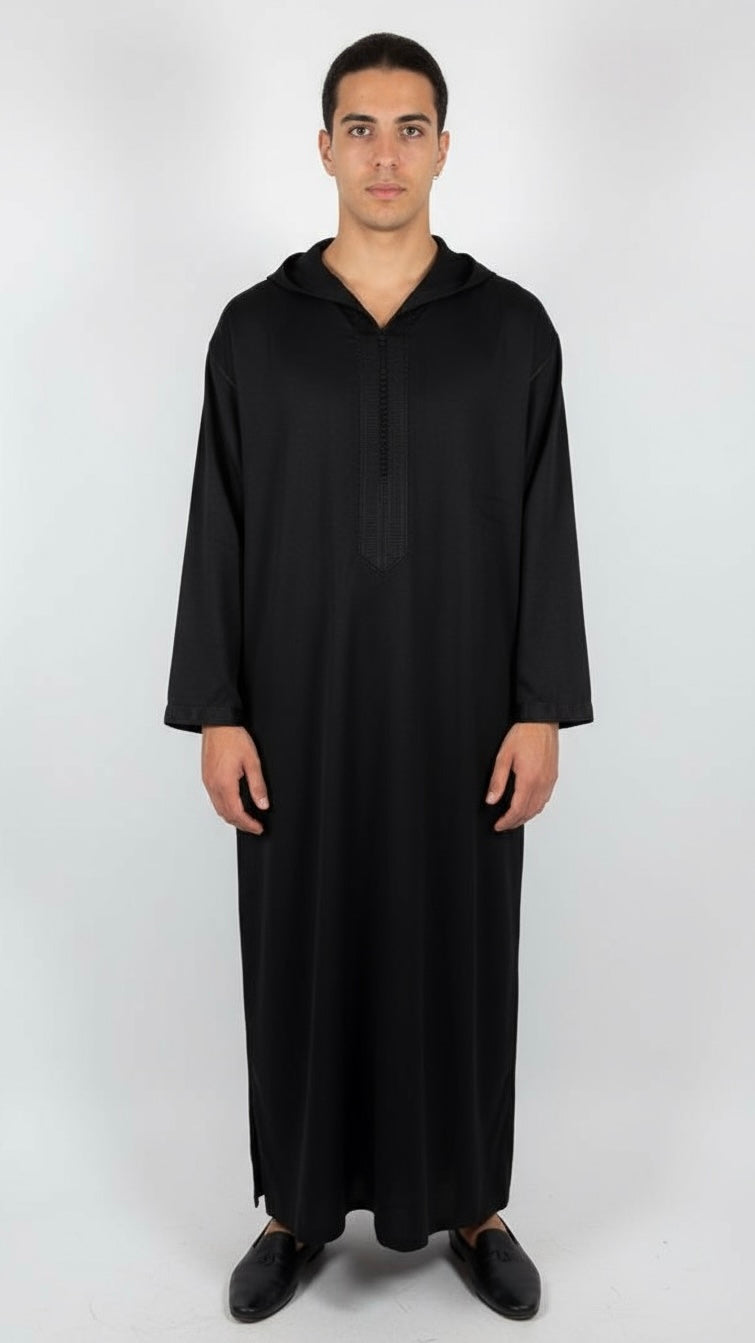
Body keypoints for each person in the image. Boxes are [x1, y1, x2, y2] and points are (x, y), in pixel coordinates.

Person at [163, 30, 594, 1324]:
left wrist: (540, 707)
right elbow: (218, 523)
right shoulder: (256, 331)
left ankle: (474, 1204)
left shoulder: (511, 331)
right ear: (324, 148)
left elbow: (548, 525)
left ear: (445, 149)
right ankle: (295, 1208)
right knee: (300, 948)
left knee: (463, 951)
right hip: (296, 714)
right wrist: (218, 712)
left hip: (465, 716)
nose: (386, 154)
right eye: (362, 128)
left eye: (411, 129)